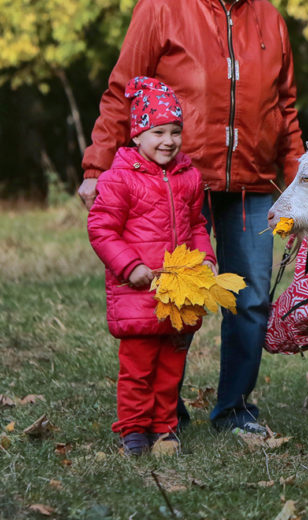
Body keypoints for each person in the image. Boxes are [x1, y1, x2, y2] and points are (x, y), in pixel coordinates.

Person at [79, 0, 304, 435]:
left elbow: (287, 106)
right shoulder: (159, 8)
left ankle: (234, 409)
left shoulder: (270, 17)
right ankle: (163, 416)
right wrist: (97, 165)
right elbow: (123, 90)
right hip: (174, 182)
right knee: (169, 300)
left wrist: (297, 181)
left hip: (253, 184)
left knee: (250, 300)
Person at [87, 77, 216, 456]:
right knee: (138, 369)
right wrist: (129, 267)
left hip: (179, 294)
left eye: (175, 131)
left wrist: (205, 257)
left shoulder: (189, 176)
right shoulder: (120, 178)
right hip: (138, 293)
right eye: (157, 131)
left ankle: (164, 428)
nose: (169, 141)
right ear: (137, 136)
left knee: (170, 368)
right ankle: (134, 431)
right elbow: (101, 229)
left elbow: (196, 225)